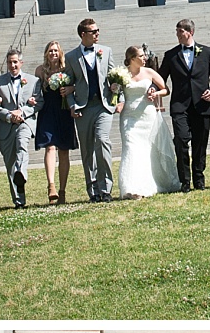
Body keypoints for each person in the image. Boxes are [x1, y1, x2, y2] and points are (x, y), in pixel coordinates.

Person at [157, 19, 210, 191]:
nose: (178, 35)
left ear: (190, 32)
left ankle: (199, 179)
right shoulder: (170, 55)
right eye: (176, 32)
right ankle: (184, 181)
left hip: (202, 104)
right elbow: (160, 78)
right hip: (180, 106)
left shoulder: (207, 52)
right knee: (181, 141)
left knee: (200, 143)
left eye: (180, 31)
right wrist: (152, 88)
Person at [116, 45, 181, 198]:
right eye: (141, 56)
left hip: (148, 115)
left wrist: (155, 92)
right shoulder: (122, 75)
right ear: (132, 59)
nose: (144, 58)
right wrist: (114, 90)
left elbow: (166, 89)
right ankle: (131, 187)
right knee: (131, 148)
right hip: (129, 118)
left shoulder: (149, 72)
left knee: (148, 150)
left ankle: (150, 182)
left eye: (144, 56)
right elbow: (116, 92)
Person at [65, 18, 119, 202]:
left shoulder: (106, 51)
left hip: (103, 105)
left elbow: (115, 77)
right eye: (93, 31)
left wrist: (116, 92)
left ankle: (106, 189)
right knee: (87, 149)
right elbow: (67, 84)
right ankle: (93, 189)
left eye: (98, 30)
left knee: (102, 141)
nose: (97, 34)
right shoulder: (71, 57)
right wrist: (72, 105)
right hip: (83, 108)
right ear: (83, 34)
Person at [0, 49, 39, 208]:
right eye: (10, 62)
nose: (12, 65)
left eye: (15, 62)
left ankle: (21, 172)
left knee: (22, 146)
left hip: (24, 123)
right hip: (6, 126)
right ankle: (19, 201)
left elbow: (39, 102)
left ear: (21, 63)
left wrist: (22, 111)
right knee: (10, 162)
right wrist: (9, 115)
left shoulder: (33, 81)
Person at [34, 40, 77, 204]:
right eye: (50, 51)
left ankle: (62, 190)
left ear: (60, 53)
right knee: (50, 146)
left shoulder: (67, 69)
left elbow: (77, 84)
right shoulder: (40, 70)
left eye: (55, 51)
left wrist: (70, 89)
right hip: (48, 111)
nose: (53, 53)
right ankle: (51, 186)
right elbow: (35, 91)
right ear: (46, 53)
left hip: (64, 110)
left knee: (64, 150)